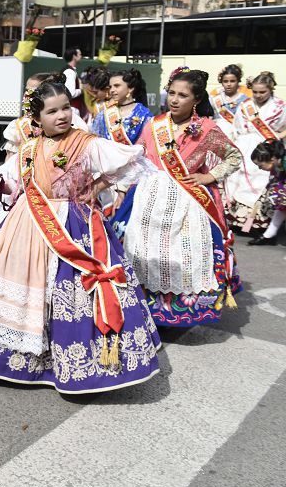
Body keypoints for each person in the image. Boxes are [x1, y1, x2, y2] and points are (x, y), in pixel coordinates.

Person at [0, 78, 161, 393]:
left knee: (68, 292)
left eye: (66, 107)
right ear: (37, 118)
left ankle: (75, 361)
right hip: (28, 224)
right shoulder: (27, 149)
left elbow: (127, 161)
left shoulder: (85, 142)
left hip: (75, 223)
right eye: (52, 111)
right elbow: (14, 183)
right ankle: (10, 358)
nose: (62, 115)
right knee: (28, 289)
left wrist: (95, 187)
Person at [120, 70, 243, 327]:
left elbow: (234, 157)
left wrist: (208, 178)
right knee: (143, 251)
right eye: (172, 93)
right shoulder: (155, 124)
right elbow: (139, 158)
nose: (174, 100)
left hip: (186, 200)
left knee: (178, 256)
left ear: (196, 99)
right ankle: (141, 310)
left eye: (183, 95)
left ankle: (177, 313)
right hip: (148, 197)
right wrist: (123, 188)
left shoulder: (207, 128)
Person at [0, 73, 87, 248]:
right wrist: (1, 185)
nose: (29, 95)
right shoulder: (20, 126)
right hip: (27, 196)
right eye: (27, 90)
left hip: (61, 201)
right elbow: (12, 166)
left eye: (34, 90)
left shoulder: (75, 128)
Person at [224, 71, 286, 232]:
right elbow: (236, 127)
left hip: (268, 149)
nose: (258, 95)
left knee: (264, 181)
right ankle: (237, 221)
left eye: (262, 92)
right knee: (238, 180)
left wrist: (279, 135)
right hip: (245, 146)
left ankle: (260, 223)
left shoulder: (280, 107)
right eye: (255, 92)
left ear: (271, 89)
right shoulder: (246, 106)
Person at [91, 68, 153, 145]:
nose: (112, 90)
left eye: (117, 86)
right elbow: (95, 141)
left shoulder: (144, 115)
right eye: (110, 87)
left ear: (130, 88)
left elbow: (148, 145)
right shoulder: (104, 114)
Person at [247, 139, 286, 246]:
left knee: (282, 196)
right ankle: (269, 234)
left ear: (272, 159)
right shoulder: (277, 165)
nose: (260, 168)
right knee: (281, 200)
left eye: (260, 165)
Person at [211, 64, 248, 136]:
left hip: (238, 136)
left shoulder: (244, 100)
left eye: (232, 81)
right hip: (217, 135)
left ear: (238, 81)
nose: (229, 84)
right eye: (225, 81)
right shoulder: (214, 99)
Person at [62, 47, 84, 116]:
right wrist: (81, 90)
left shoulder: (71, 70)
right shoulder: (69, 71)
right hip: (73, 109)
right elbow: (71, 93)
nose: (81, 56)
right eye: (80, 54)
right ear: (74, 56)